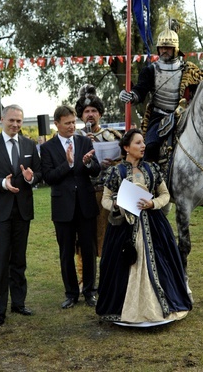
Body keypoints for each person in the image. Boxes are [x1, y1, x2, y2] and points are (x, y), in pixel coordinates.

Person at [96, 129, 192, 325]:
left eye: (143, 143)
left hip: (154, 225)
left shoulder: (152, 169)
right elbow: (105, 199)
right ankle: (126, 309)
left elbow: (165, 195)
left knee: (161, 261)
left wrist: (153, 204)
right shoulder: (116, 171)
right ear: (126, 148)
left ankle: (158, 307)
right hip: (124, 227)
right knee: (123, 264)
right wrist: (116, 204)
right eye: (138, 143)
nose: (143, 146)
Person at [0, 104, 42, 327]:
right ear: (2, 120)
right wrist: (2, 184)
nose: (15, 124)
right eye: (11, 120)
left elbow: (39, 173)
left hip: (22, 211)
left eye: (19, 121)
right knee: (0, 260)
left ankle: (19, 302)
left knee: (19, 259)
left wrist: (30, 177)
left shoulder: (29, 144)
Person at [119, 25, 203, 173]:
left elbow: (201, 92)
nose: (164, 51)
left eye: (168, 48)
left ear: (176, 49)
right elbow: (141, 89)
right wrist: (132, 95)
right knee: (150, 146)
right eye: (162, 48)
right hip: (159, 116)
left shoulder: (190, 69)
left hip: (186, 115)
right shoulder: (150, 70)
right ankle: (150, 179)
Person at [40, 105, 101, 309]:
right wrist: (68, 164)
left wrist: (89, 163)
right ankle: (71, 293)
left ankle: (90, 291)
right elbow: (48, 177)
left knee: (89, 249)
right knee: (66, 252)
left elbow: (96, 170)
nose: (72, 126)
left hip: (85, 204)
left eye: (74, 122)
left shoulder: (84, 141)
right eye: (67, 123)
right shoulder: (48, 148)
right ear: (56, 124)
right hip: (63, 208)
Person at [74, 84, 122, 290]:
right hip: (82, 193)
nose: (90, 114)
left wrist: (112, 163)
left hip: (105, 192)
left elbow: (125, 162)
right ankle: (84, 280)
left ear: (100, 114)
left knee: (105, 238)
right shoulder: (74, 138)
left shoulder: (112, 136)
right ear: (81, 115)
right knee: (82, 240)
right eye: (86, 111)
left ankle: (108, 278)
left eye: (94, 111)